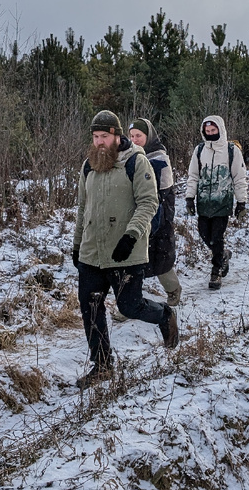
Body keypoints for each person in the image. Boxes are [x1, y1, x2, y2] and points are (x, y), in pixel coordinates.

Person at [72, 111, 179, 388]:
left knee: (130, 306)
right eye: (95, 137)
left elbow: (149, 202)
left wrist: (131, 236)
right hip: (92, 253)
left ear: (117, 136)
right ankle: (102, 365)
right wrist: (77, 245)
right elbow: (83, 208)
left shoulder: (136, 161)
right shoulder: (88, 166)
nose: (99, 142)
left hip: (125, 251)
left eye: (104, 136)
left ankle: (165, 315)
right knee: (91, 307)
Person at [185, 115, 248, 290]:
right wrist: (190, 198)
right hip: (204, 201)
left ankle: (216, 271)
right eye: (208, 131)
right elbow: (193, 175)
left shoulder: (231, 150)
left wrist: (241, 202)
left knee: (216, 237)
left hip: (222, 201)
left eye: (213, 130)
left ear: (220, 130)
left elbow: (239, 177)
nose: (211, 133)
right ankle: (223, 255)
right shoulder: (199, 150)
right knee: (205, 234)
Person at [128, 118, 181, 307]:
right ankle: (129, 303)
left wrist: (157, 216)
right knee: (132, 262)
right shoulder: (128, 156)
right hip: (136, 215)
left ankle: (173, 289)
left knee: (161, 260)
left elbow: (164, 190)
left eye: (139, 136)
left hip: (159, 216)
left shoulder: (159, 158)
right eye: (132, 136)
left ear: (148, 136)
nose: (135, 140)